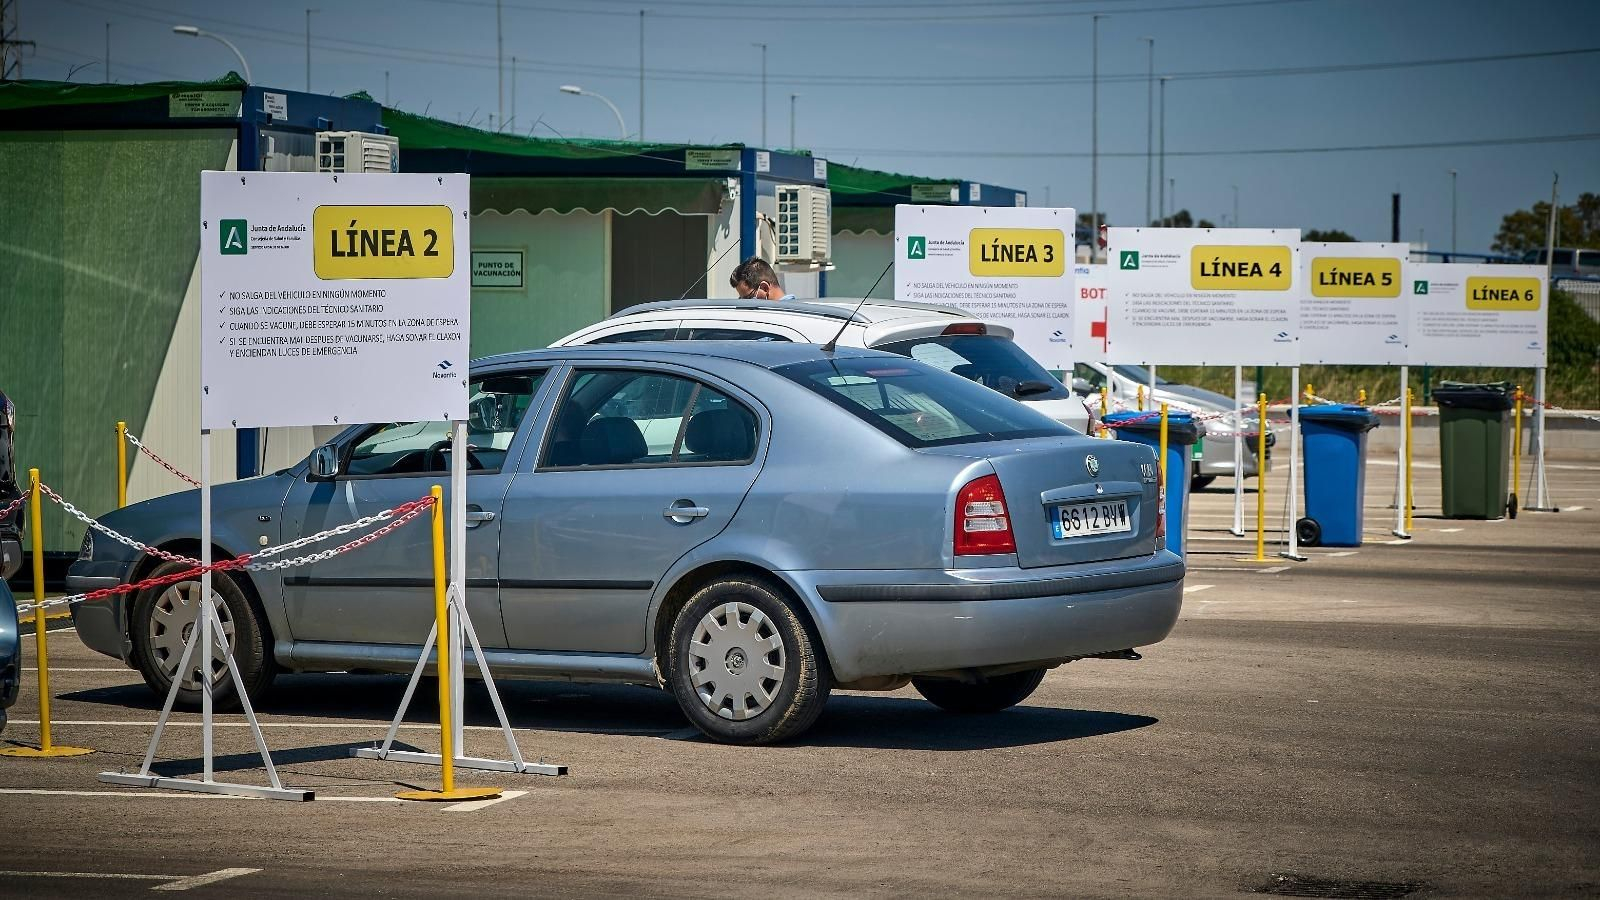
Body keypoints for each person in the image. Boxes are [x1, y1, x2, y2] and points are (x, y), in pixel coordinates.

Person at [730, 257, 795, 302]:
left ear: (764, 288)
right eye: (741, 299)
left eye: (748, 298)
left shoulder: (787, 314)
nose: (745, 304)